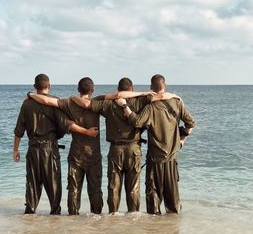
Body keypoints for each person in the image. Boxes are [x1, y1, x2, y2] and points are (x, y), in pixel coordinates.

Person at [70, 77, 178, 214]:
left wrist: (73, 98)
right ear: (132, 89)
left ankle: (113, 215)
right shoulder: (141, 101)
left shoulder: (108, 104)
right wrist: (175, 96)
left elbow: (87, 103)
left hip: (115, 150)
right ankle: (133, 217)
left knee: (113, 186)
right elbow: (160, 96)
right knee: (133, 187)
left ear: (118, 90)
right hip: (134, 149)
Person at [13, 74, 98, 215]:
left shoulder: (26, 104)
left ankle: (29, 219)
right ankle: (55, 217)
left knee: (32, 185)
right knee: (53, 187)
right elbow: (67, 124)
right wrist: (86, 132)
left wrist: (15, 150)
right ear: (49, 85)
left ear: (35, 87)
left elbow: (18, 130)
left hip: (33, 149)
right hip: (50, 149)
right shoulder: (54, 102)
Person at [117, 74, 196, 214]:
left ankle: (153, 230)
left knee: (153, 196)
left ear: (151, 88)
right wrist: (182, 141)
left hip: (154, 159)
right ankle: (173, 230)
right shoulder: (177, 102)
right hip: (172, 158)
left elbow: (136, 122)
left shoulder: (151, 107)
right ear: (164, 86)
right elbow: (191, 124)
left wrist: (125, 107)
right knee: (173, 199)